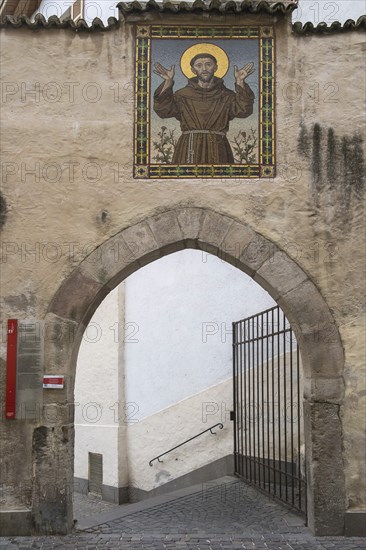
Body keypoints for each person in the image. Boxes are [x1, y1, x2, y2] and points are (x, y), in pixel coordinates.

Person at [153, 52, 255, 165]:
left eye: (208, 64)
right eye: (199, 65)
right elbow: (163, 111)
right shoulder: (182, 95)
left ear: (215, 67)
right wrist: (168, 81)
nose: (204, 68)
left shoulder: (227, 96)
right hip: (189, 145)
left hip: (218, 146)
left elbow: (244, 111)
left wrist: (240, 81)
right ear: (192, 70)